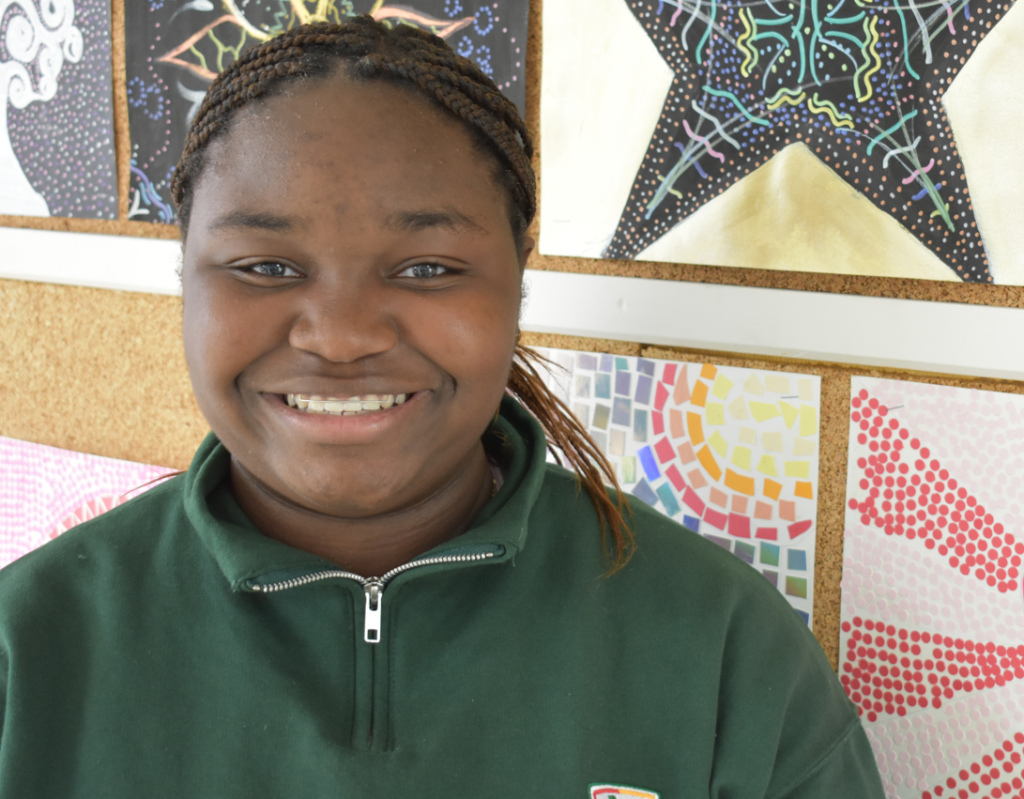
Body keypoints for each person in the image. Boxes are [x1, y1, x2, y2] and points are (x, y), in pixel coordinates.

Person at [0, 16, 885, 798]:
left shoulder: (726, 653)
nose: (342, 336)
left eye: (427, 268)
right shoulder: (27, 651)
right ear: (185, 276)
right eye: (265, 267)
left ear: (519, 275)